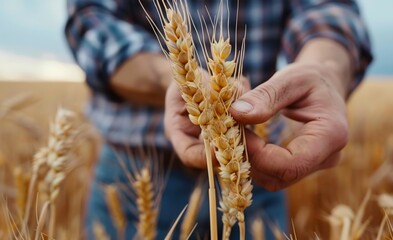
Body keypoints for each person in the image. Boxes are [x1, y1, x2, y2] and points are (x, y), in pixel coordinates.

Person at [65, 0, 372, 239]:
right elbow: (91, 23)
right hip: (139, 178)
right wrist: (179, 82)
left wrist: (325, 70)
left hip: (256, 169)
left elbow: (329, 12)